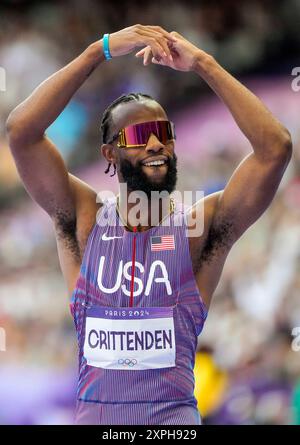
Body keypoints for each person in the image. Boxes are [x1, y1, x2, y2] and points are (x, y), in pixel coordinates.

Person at [6, 24, 292, 425]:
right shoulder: (83, 219)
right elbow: (21, 132)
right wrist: (97, 51)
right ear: (109, 153)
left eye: (164, 133)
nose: (156, 143)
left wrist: (205, 65)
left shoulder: (198, 228)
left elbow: (275, 148)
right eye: (141, 134)